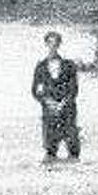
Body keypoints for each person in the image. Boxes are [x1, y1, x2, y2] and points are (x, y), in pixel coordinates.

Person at [31, 31, 80, 162]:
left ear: (59, 44)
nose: (53, 46)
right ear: (46, 44)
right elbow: (36, 90)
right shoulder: (41, 67)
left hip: (67, 108)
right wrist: (48, 102)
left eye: (56, 43)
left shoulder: (69, 65)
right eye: (50, 43)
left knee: (72, 143)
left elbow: (73, 88)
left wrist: (64, 102)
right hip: (49, 109)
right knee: (50, 148)